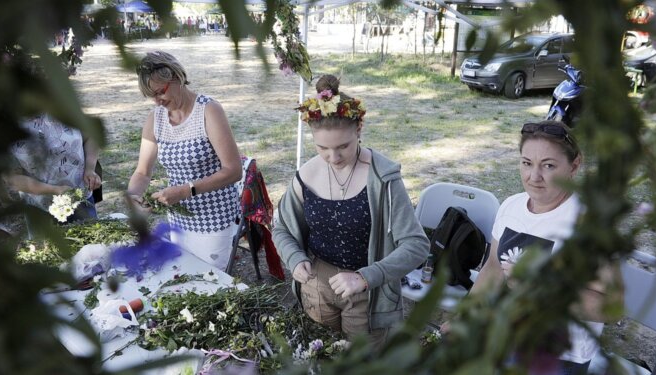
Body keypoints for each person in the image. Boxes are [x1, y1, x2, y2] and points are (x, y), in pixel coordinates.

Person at [445, 120, 622, 374]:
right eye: (527, 163)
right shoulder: (511, 206)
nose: (534, 177)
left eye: (548, 165)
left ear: (575, 165)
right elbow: (493, 268)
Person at [273, 75, 429, 344]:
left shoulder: (384, 179)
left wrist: (365, 277)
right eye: (323, 148)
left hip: (368, 292)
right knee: (321, 356)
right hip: (317, 286)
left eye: (343, 146)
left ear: (359, 128)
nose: (333, 158)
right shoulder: (306, 175)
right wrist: (294, 257)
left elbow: (416, 245)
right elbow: (282, 228)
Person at [127, 51, 242, 270]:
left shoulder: (208, 110)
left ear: (176, 77)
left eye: (160, 92)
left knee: (210, 282)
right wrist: (133, 197)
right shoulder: (155, 119)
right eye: (151, 96)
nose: (157, 101)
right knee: (183, 276)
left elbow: (234, 170)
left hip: (214, 219)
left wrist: (186, 191)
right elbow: (142, 172)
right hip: (179, 219)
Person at [6, 113, 101, 225]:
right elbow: (13, 179)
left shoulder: (62, 110)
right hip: (41, 209)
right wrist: (55, 190)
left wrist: (90, 169)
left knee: (91, 240)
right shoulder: (7, 128)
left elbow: (91, 136)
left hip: (82, 200)